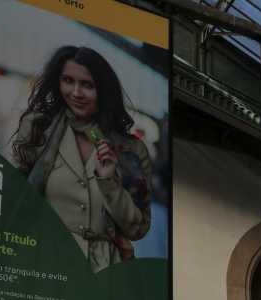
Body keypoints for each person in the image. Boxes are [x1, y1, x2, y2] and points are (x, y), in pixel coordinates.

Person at [10, 46, 154, 272]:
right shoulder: (39, 128)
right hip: (41, 264)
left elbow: (138, 228)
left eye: (87, 85)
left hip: (104, 274)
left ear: (104, 90)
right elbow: (13, 197)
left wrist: (109, 183)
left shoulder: (131, 150)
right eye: (68, 80)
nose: (76, 93)